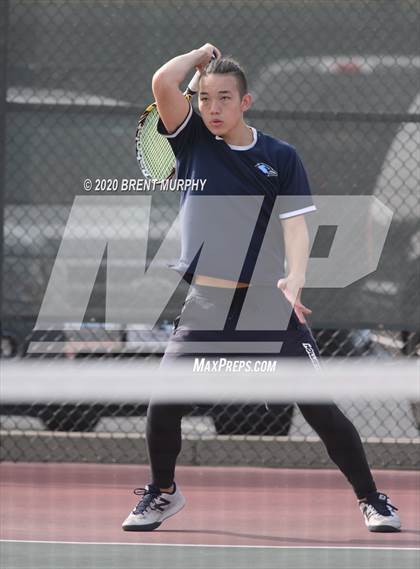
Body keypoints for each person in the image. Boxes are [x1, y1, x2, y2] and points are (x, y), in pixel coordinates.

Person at [122, 44, 401, 533]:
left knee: (321, 410)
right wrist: (201, 55)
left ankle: (373, 499)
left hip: (267, 307)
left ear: (245, 102)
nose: (213, 109)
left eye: (224, 99)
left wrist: (295, 276)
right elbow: (163, 83)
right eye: (206, 99)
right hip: (206, 305)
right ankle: (163, 492)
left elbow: (296, 227)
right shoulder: (190, 141)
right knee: (162, 405)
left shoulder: (280, 157)